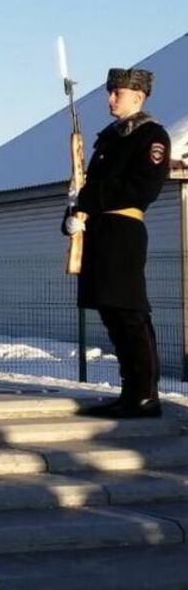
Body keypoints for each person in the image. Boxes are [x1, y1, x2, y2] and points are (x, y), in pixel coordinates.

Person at [64, 67, 170, 418]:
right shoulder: (109, 138)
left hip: (123, 231)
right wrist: (75, 213)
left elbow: (144, 187)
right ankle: (130, 391)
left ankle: (144, 394)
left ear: (138, 97)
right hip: (99, 232)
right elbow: (84, 185)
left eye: (117, 93)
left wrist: (90, 200)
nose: (110, 99)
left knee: (129, 312)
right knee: (112, 312)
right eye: (110, 92)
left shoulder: (150, 136)